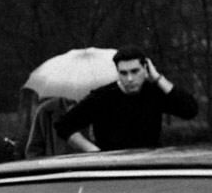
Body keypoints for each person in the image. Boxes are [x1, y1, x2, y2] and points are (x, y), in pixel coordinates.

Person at [55, 46, 199, 151]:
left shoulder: (154, 92)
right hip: (113, 168)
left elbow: (190, 110)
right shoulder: (102, 97)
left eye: (135, 71)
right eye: (123, 73)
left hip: (150, 166)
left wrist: (157, 78)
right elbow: (63, 125)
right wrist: (93, 151)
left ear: (145, 68)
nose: (129, 79)